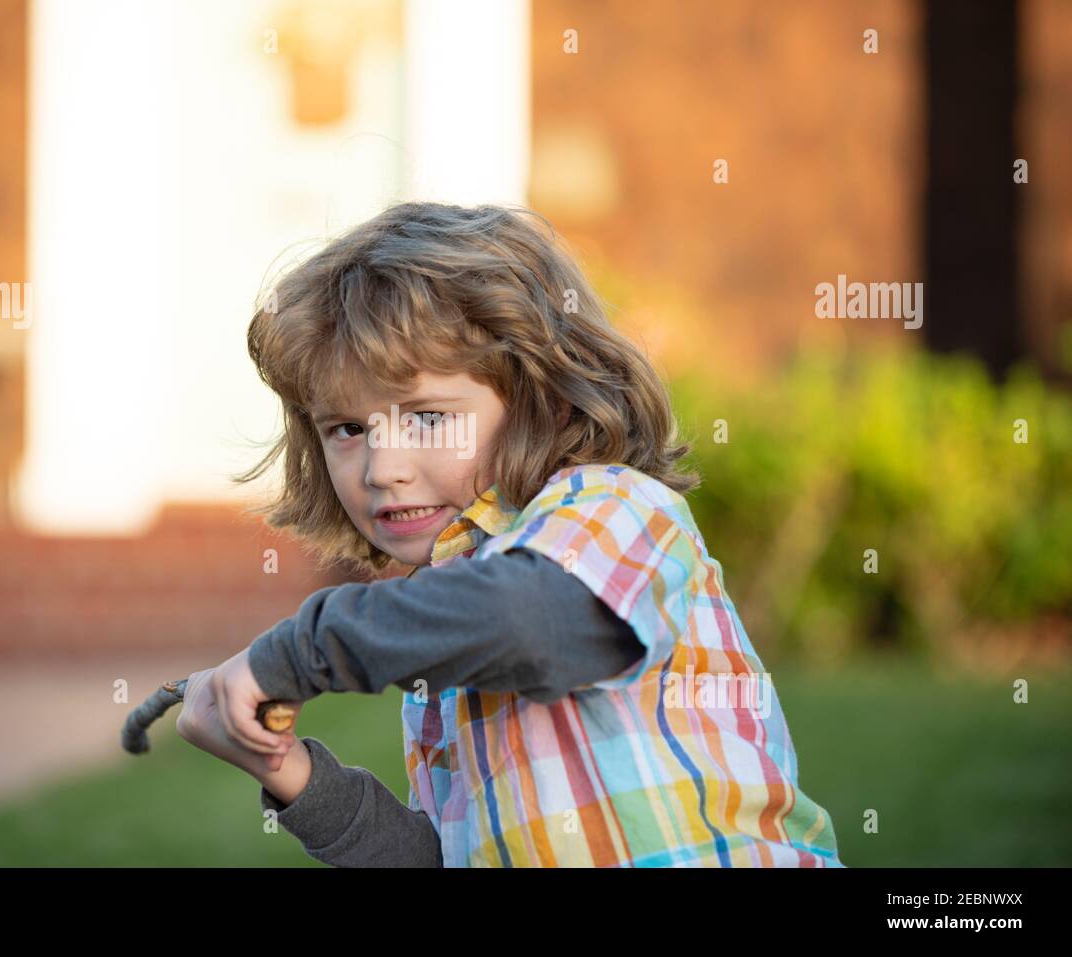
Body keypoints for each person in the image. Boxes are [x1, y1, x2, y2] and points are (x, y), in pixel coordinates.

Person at [176, 201, 843, 868]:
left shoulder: (613, 505)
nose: (383, 468)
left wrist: (304, 648)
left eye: (428, 417)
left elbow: (527, 618)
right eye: (348, 428)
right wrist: (293, 773)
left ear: (542, 397)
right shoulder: (442, 621)